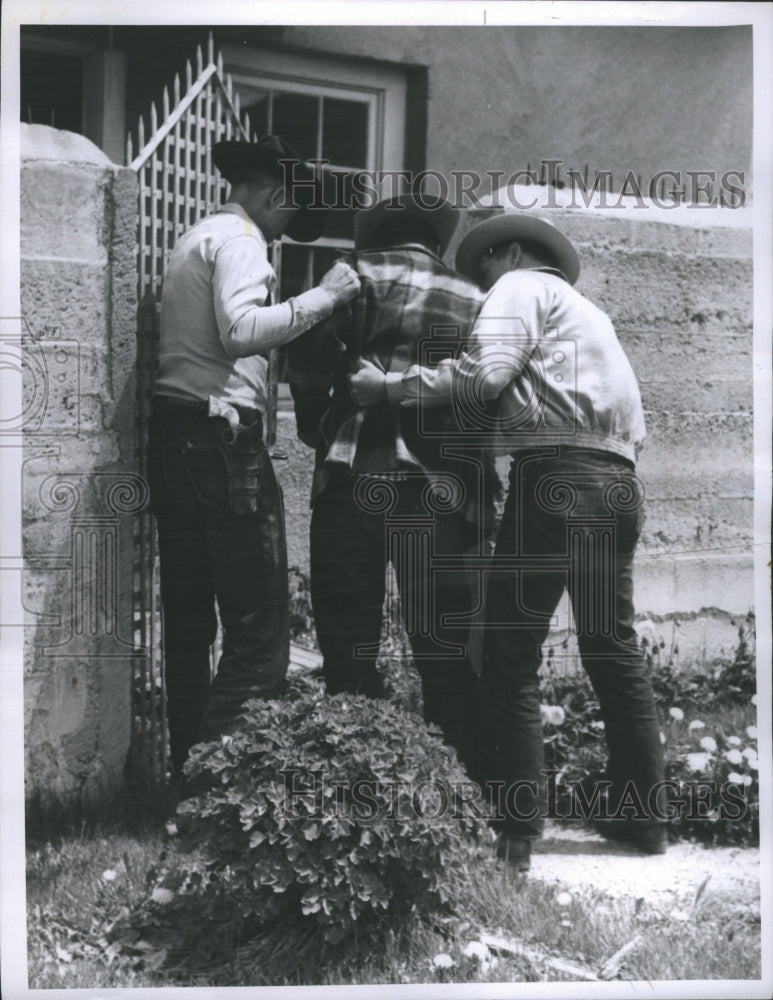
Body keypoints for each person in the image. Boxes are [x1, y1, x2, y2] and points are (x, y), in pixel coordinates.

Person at [349, 212, 666, 869]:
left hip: (552, 477)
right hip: (617, 481)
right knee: (612, 651)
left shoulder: (519, 287)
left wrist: (386, 387)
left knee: (507, 654)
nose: (480, 288)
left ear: (511, 253)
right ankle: (645, 822)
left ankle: (514, 838)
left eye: (482, 271)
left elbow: (484, 374)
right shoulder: (590, 314)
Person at [147, 135, 361, 776]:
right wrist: (326, 296)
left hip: (176, 434)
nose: (289, 229)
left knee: (189, 623)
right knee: (259, 631)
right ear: (276, 195)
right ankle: (220, 790)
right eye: (292, 216)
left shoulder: (195, 238)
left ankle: (185, 780)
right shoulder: (242, 242)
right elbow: (241, 331)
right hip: (222, 441)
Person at [287, 194, 497, 772]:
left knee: (347, 636)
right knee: (444, 647)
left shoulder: (356, 275)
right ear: (435, 239)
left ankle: (355, 780)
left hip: (355, 475)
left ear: (381, 236)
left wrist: (316, 424)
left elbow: (304, 349)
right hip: (439, 492)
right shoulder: (477, 298)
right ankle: (456, 785)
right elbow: (485, 395)